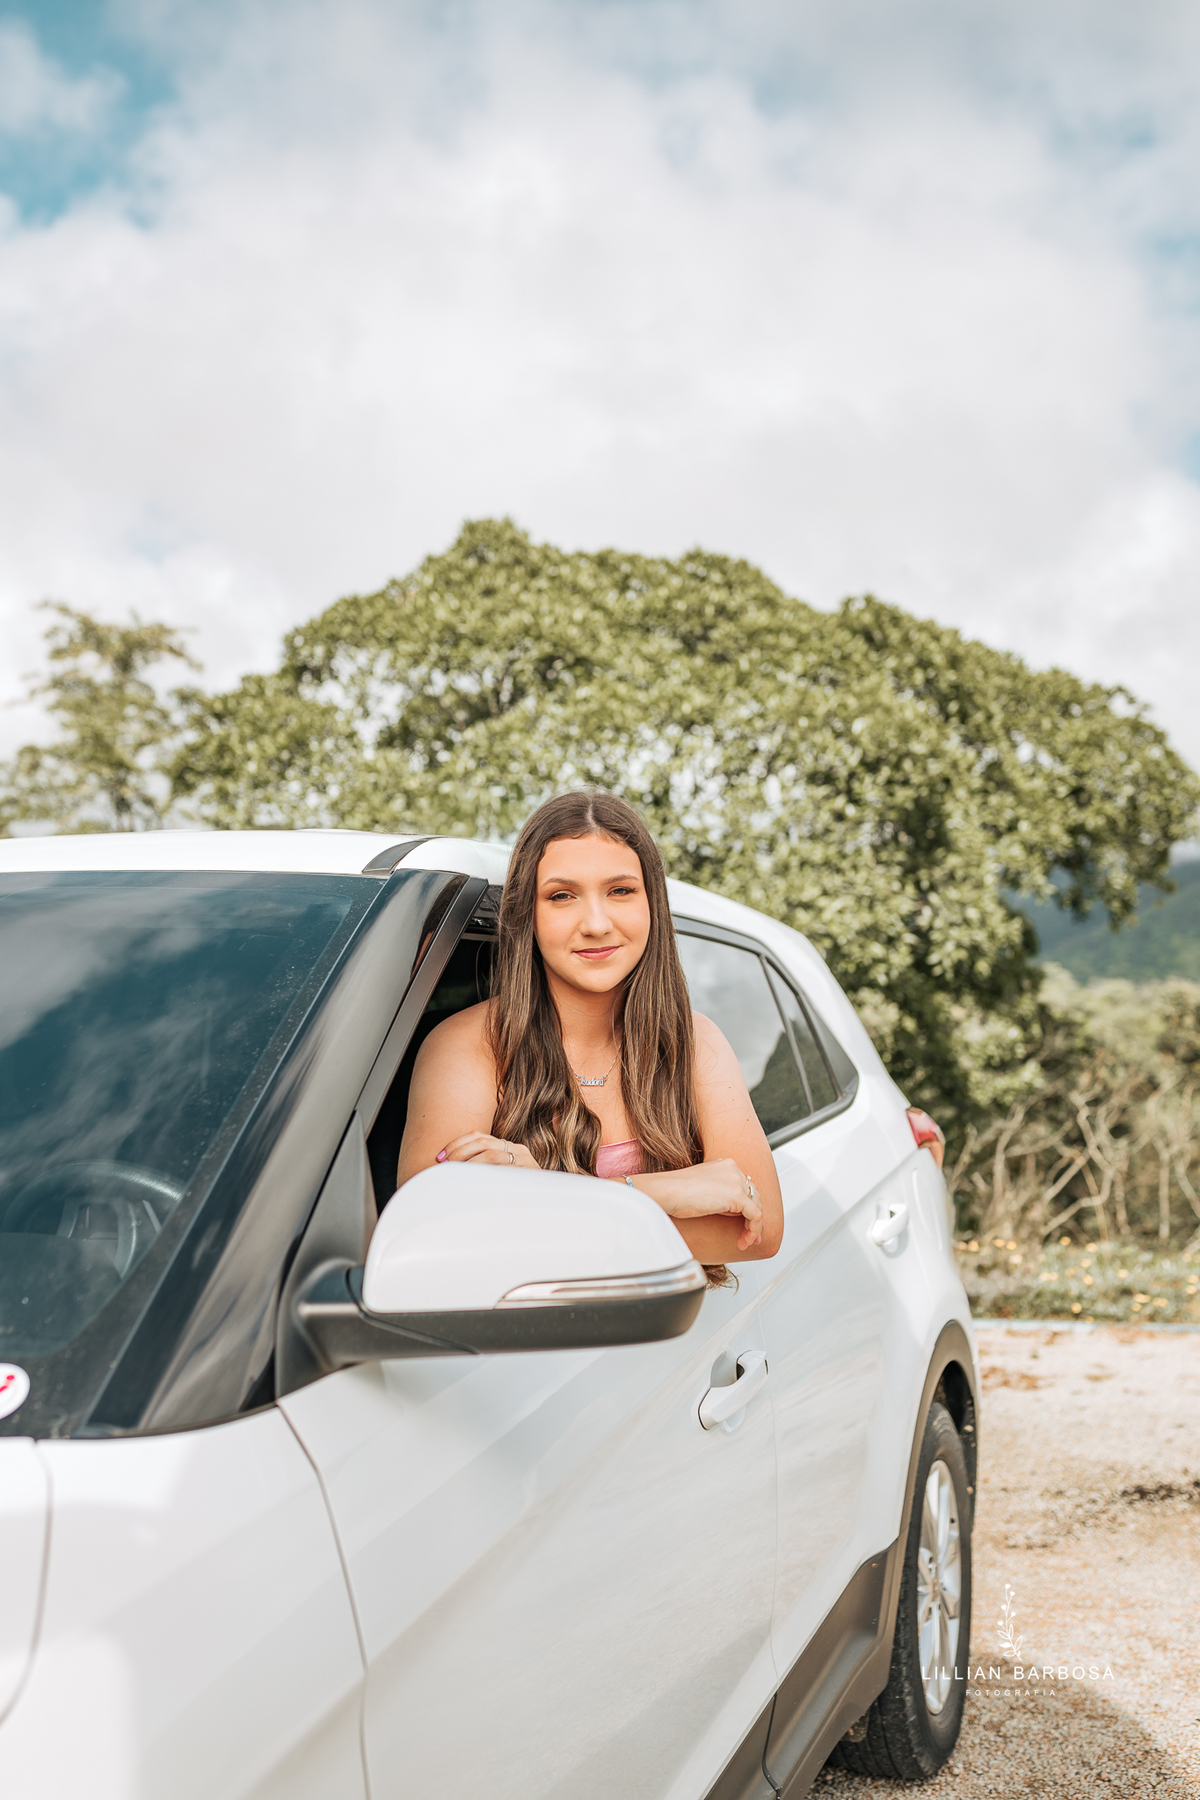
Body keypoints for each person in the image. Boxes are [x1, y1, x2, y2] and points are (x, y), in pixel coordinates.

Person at [397, 791, 783, 1275]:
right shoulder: (468, 1046)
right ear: (528, 914)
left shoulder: (695, 1043)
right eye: (561, 896)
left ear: (652, 905)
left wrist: (540, 1201)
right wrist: (659, 1193)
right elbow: (432, 1238)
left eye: (620, 890)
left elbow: (754, 1235)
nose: (597, 924)